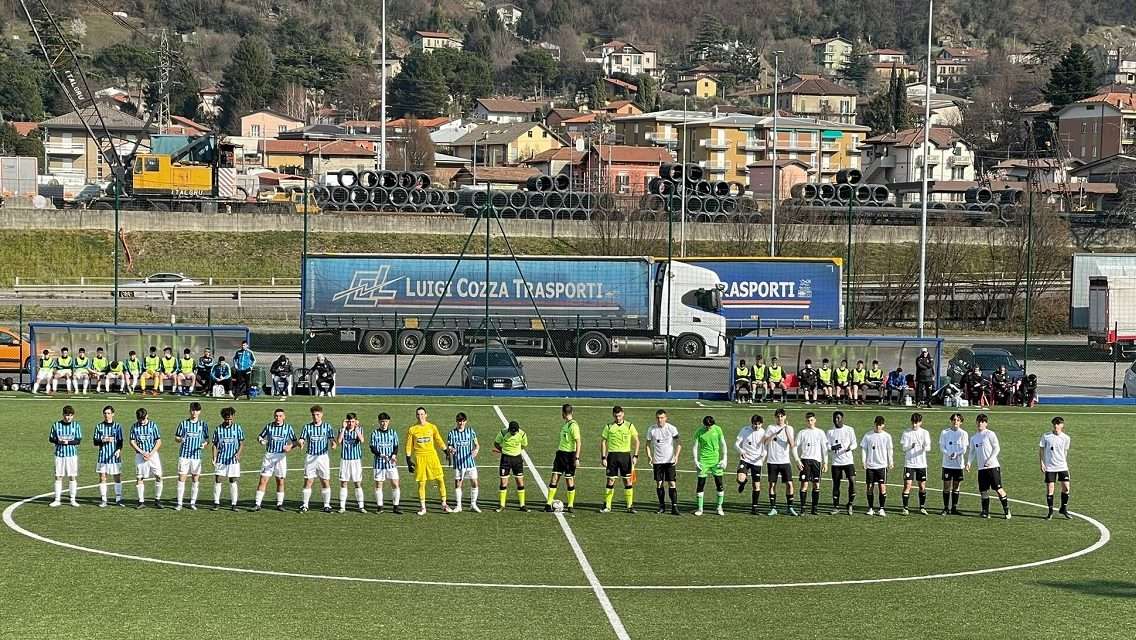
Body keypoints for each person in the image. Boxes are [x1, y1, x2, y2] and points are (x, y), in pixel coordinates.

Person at [405, 407, 451, 515]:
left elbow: (438, 440)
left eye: (422, 414)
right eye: (418, 414)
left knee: (440, 479)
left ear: (426, 415)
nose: (420, 416)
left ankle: (444, 504)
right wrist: (408, 459)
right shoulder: (412, 429)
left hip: (432, 456)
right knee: (422, 483)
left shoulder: (432, 427)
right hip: (420, 458)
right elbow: (408, 446)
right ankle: (423, 508)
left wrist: (446, 452)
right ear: (416, 416)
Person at [253, 408, 298, 511]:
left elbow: (295, 442)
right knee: (263, 480)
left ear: (284, 417)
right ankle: (257, 504)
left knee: (280, 481)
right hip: (269, 456)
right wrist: (261, 441)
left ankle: (279, 504)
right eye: (276, 416)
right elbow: (260, 436)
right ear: (274, 416)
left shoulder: (288, 428)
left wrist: (290, 447)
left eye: (280, 416)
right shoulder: (269, 426)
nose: (278, 418)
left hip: (281, 457)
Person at [967, 414, 1011, 519]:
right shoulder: (974, 438)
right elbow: (972, 452)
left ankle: (1006, 511)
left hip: (993, 467)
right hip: (981, 468)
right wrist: (968, 463)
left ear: (986, 423)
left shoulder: (990, 434)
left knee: (999, 489)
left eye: (982, 422)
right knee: (983, 491)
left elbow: (997, 448)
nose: (980, 423)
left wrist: (990, 460)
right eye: (978, 421)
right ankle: (985, 512)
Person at [600, 405, 640, 513]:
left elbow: (637, 441)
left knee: (627, 480)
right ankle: (607, 505)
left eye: (619, 415)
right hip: (612, 456)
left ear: (623, 413)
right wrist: (603, 457)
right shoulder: (608, 427)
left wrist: (635, 456)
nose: (618, 418)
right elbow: (603, 442)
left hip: (625, 456)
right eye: (616, 416)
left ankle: (629, 506)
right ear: (613, 415)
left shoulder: (629, 425)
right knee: (610, 480)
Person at [299, 404, 336, 513]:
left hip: (323, 457)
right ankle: (305, 505)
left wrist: (333, 444)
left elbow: (332, 439)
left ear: (322, 415)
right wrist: (301, 443)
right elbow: (302, 438)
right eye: (314, 415)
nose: (316, 417)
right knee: (308, 481)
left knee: (325, 481)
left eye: (317, 415)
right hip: (310, 457)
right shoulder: (307, 427)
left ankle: (326, 505)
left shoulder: (327, 427)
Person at [174, 402, 209, 511]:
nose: (194, 412)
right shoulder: (183, 424)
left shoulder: (203, 425)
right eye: (193, 410)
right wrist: (180, 439)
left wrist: (204, 444)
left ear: (200, 412)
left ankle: (192, 502)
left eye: (196, 410)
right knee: (181, 478)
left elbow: (207, 439)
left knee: (195, 478)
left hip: (196, 456)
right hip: (184, 455)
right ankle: (179, 503)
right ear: (190, 411)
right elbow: (176, 437)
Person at [545, 404, 581, 513]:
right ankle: (548, 504)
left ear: (563, 414)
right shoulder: (566, 424)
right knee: (555, 477)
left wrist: (577, 458)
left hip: (569, 456)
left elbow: (578, 442)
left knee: (569, 480)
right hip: (560, 454)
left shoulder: (573, 426)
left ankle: (570, 505)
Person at [645, 409, 681, 515]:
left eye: (662, 418)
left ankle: (674, 507)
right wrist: (649, 456)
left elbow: (679, 443)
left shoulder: (672, 428)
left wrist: (676, 456)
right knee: (659, 483)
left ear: (666, 418)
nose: (659, 420)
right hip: (658, 461)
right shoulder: (652, 429)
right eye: (658, 418)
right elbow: (647, 444)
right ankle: (662, 506)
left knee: (671, 482)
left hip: (670, 461)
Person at [762, 408, 797, 516]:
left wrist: (786, 431)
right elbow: (765, 442)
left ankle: (790, 507)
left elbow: (792, 444)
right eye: (778, 416)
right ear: (775, 417)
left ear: (785, 417)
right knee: (772, 484)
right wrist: (775, 434)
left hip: (785, 461)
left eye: (782, 416)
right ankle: (773, 508)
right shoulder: (771, 428)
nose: (780, 418)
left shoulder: (789, 428)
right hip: (772, 461)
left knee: (790, 484)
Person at [210, 406, 244, 511]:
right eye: (226, 419)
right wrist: (214, 457)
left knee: (233, 480)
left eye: (230, 419)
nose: (229, 421)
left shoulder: (237, 428)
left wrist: (238, 454)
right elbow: (215, 444)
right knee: (218, 479)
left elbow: (241, 443)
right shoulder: (218, 429)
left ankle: (234, 504)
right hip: (221, 459)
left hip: (233, 460)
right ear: (223, 418)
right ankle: (216, 502)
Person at [691, 416, 727, 516]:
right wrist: (696, 460)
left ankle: (719, 507)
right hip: (704, 461)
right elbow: (695, 446)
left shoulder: (718, 429)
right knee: (701, 484)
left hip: (716, 461)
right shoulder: (699, 432)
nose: (708, 428)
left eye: (710, 426)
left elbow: (723, 444)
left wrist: (724, 458)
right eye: (707, 426)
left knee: (719, 483)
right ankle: (700, 509)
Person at [794, 411, 828, 515]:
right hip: (805, 461)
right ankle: (803, 508)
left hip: (816, 461)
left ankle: (814, 508)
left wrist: (825, 463)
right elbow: (794, 447)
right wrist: (797, 460)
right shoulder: (802, 433)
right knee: (804, 485)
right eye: (808, 420)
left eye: (812, 420)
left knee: (816, 485)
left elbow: (824, 448)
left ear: (815, 420)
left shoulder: (820, 432)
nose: (810, 422)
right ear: (806, 421)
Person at [130, 407, 164, 509]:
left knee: (158, 476)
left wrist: (151, 453)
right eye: (140, 419)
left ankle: (157, 499)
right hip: (140, 456)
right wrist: (142, 452)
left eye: (143, 419)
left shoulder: (153, 425)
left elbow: (158, 441)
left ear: (147, 416)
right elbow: (132, 441)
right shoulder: (134, 427)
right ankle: (141, 502)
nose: (142, 421)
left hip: (153, 455)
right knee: (140, 477)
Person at [446, 413, 480, 513]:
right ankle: (459, 505)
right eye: (459, 421)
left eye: (463, 421)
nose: (461, 423)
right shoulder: (452, 433)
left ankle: (473, 504)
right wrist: (451, 450)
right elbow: (449, 446)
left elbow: (477, 445)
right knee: (458, 484)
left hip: (470, 462)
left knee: (474, 482)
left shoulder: (470, 431)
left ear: (466, 421)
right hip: (459, 463)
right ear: (456, 421)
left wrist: (476, 450)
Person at [49, 405, 82, 507]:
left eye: (70, 415)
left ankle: (72, 499)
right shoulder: (56, 425)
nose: (68, 417)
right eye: (67, 415)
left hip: (71, 455)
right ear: (63, 415)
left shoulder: (76, 425)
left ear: (73, 416)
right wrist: (59, 441)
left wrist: (67, 442)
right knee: (58, 476)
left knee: (72, 476)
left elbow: (78, 440)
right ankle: (57, 499)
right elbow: (51, 438)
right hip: (59, 455)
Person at [860, 415, 893, 516]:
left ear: (883, 425)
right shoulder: (868, 435)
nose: (878, 427)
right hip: (870, 466)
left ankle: (881, 509)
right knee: (870, 487)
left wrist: (890, 461)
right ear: (874, 424)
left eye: (880, 425)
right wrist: (863, 461)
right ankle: (870, 508)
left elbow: (889, 449)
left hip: (882, 466)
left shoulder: (887, 436)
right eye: (877, 425)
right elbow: (864, 449)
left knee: (882, 487)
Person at [370, 412, 402, 514]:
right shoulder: (375, 433)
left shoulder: (393, 432)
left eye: (386, 422)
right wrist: (380, 455)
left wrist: (393, 455)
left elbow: (396, 446)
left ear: (389, 422)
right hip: (379, 463)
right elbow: (372, 447)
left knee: (395, 484)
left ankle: (396, 506)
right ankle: (380, 506)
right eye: (382, 422)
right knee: (379, 485)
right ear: (379, 422)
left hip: (391, 463)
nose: (384, 424)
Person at [493, 419, 529, 512]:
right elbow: (496, 443)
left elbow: (524, 445)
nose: (513, 433)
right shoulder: (503, 433)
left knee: (520, 482)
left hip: (517, 459)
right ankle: (502, 505)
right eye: (511, 431)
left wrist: (516, 451)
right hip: (505, 459)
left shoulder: (522, 434)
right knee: (503, 483)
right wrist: (503, 450)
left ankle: (522, 505)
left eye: (514, 431)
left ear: (517, 430)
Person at [1040, 416, 1071, 520]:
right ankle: (1050, 511)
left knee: (1066, 488)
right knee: (1050, 490)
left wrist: (1065, 464)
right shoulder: (1046, 436)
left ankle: (1063, 508)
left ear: (1062, 425)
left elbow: (1065, 451)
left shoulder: (1066, 438)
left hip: (1062, 466)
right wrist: (1042, 463)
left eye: (1058, 424)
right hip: (1050, 467)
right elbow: (1041, 449)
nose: (1056, 426)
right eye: (1054, 424)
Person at [900, 412, 931, 515]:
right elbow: (903, 448)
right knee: (907, 485)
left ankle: (922, 507)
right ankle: (905, 508)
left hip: (921, 464)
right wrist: (910, 447)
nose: (914, 425)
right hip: (909, 464)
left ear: (920, 422)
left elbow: (928, 448)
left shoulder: (925, 433)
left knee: (922, 486)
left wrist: (923, 447)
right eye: (913, 422)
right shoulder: (906, 433)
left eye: (916, 422)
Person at [735, 414, 767, 515]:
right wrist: (741, 451)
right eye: (755, 424)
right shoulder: (745, 430)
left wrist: (763, 456)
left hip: (757, 461)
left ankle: (754, 508)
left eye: (759, 424)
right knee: (740, 479)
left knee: (756, 486)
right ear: (751, 423)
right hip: (745, 459)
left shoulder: (763, 433)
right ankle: (743, 482)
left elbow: (765, 448)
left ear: (761, 424)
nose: (757, 426)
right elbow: (736, 444)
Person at [92, 405, 124, 507]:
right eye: (105, 413)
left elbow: (120, 441)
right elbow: (95, 442)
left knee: (117, 477)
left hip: (114, 457)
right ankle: (104, 499)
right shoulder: (99, 426)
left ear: (113, 414)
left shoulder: (117, 426)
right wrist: (103, 440)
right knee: (102, 477)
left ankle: (118, 499)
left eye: (109, 413)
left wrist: (119, 449)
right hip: (103, 457)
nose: (107, 415)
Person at [826, 411, 857, 515]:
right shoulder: (830, 432)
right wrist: (832, 447)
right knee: (836, 484)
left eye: (838, 418)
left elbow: (855, 443)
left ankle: (850, 504)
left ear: (842, 419)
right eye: (834, 418)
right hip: (836, 462)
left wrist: (850, 448)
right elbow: (826, 446)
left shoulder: (849, 429)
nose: (836, 420)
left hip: (848, 461)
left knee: (852, 481)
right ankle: (836, 506)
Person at [939, 412, 969, 515]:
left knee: (956, 486)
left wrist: (957, 454)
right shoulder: (945, 433)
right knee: (946, 486)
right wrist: (949, 453)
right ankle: (946, 508)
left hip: (958, 465)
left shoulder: (963, 434)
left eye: (958, 420)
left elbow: (964, 449)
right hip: (947, 465)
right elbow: (942, 447)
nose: (955, 421)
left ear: (961, 422)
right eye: (954, 420)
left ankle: (954, 508)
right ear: (951, 421)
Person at [338, 412, 367, 513]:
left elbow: (362, 440)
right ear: (346, 421)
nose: (351, 423)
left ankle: (361, 506)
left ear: (356, 422)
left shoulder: (359, 430)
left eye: (353, 421)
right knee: (343, 482)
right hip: (345, 460)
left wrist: (357, 428)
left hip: (356, 460)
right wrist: (342, 428)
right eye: (349, 421)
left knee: (357, 483)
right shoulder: (342, 430)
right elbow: (339, 441)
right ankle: (342, 507)